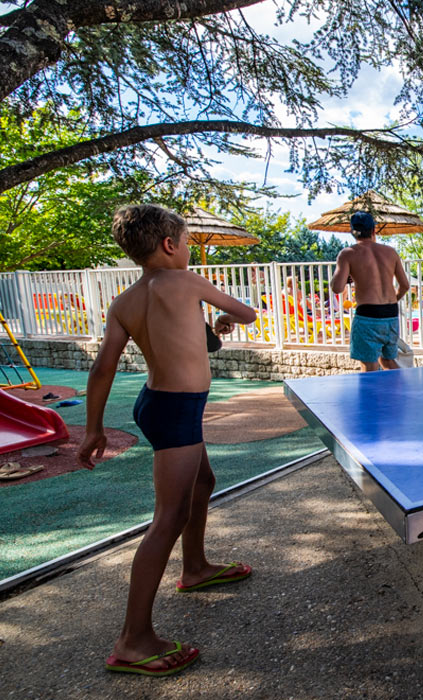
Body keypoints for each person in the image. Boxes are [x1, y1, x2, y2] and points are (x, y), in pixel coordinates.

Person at [77, 204, 257, 677]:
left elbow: (104, 366)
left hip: (156, 403)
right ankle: (133, 639)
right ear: (171, 245)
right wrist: (221, 309)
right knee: (168, 516)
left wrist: (94, 427)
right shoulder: (188, 282)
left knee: (203, 482)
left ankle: (195, 567)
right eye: (188, 241)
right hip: (177, 412)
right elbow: (249, 312)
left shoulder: (126, 300)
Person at [331, 211, 410, 371]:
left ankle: (371, 397)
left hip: (368, 315)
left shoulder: (347, 254)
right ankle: (404, 393)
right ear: (374, 230)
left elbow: (337, 288)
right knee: (388, 361)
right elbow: (405, 286)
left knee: (369, 367)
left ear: (352, 232)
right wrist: (393, 300)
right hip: (390, 314)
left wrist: (346, 276)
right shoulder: (390, 252)